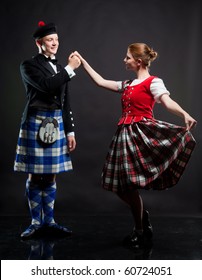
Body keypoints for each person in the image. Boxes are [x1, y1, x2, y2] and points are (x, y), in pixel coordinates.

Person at [73, 43, 197, 248]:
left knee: (129, 184)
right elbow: (101, 82)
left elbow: (167, 102)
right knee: (119, 185)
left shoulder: (153, 82)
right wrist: (84, 62)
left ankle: (139, 230)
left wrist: (184, 113)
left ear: (138, 61)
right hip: (123, 136)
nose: (125, 60)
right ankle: (141, 217)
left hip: (141, 134)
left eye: (128, 57)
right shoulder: (128, 84)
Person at [14, 21, 81, 239]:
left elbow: (65, 101)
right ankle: (35, 222)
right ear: (39, 43)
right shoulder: (28, 65)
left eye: (57, 40)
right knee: (35, 175)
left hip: (57, 122)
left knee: (51, 176)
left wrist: (70, 131)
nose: (55, 44)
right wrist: (71, 68)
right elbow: (46, 85)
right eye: (50, 40)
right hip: (35, 120)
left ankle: (49, 221)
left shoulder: (61, 69)